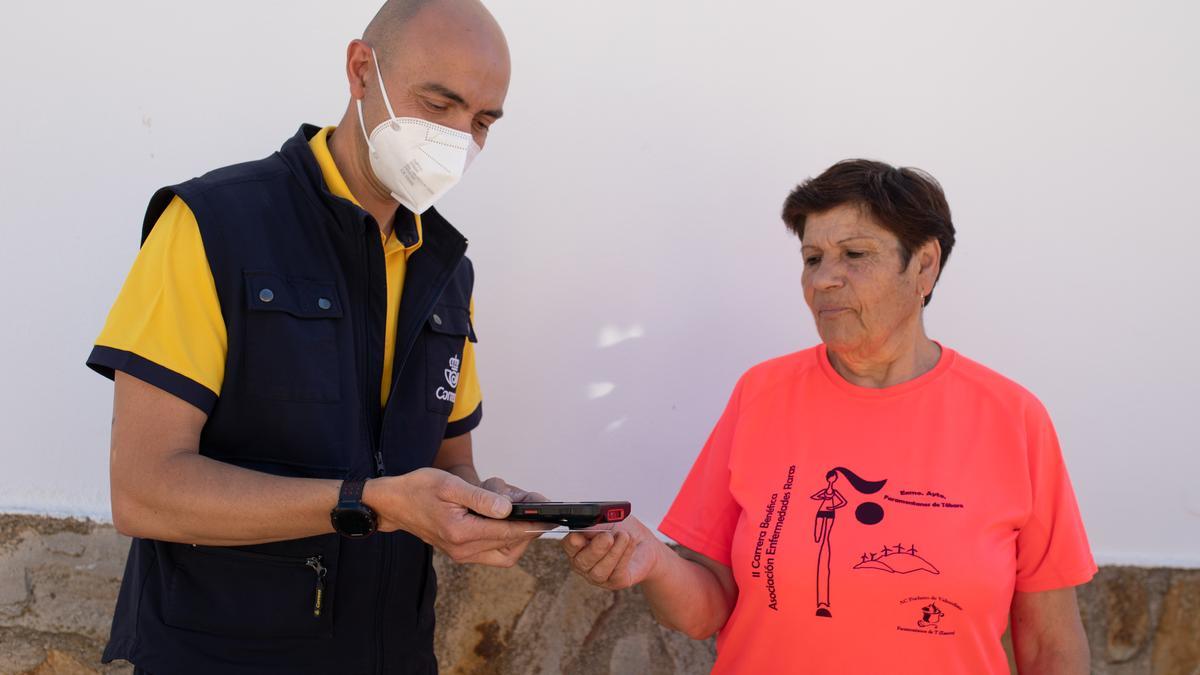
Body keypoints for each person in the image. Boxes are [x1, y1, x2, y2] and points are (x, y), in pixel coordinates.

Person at [86, 1, 544, 672]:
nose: (457, 138)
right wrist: (370, 504)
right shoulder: (213, 225)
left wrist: (488, 507)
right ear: (362, 70)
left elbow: (448, 467)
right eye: (438, 104)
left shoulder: (447, 269)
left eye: (480, 121)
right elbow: (144, 489)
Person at [560, 159, 1096, 674]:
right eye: (812, 258)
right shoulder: (763, 395)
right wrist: (651, 559)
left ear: (925, 265)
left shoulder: (1012, 419)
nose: (823, 280)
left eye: (854, 254)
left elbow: (1050, 645)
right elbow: (705, 611)